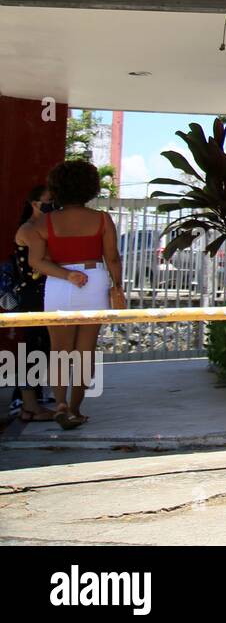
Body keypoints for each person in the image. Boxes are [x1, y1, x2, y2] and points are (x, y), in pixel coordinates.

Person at [25, 160, 124, 429]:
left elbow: (36, 261)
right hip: (94, 280)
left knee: (59, 351)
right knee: (85, 352)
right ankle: (76, 409)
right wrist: (118, 287)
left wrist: (66, 275)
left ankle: (60, 404)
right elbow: (112, 258)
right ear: (90, 187)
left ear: (57, 188)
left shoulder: (46, 222)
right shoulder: (102, 219)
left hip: (58, 284)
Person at [9, 185, 56, 422]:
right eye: (49, 201)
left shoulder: (44, 228)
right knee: (32, 347)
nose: (53, 205)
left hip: (43, 293)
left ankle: (33, 400)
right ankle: (28, 404)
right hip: (33, 294)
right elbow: (41, 262)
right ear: (34, 204)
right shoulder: (29, 230)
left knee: (43, 346)